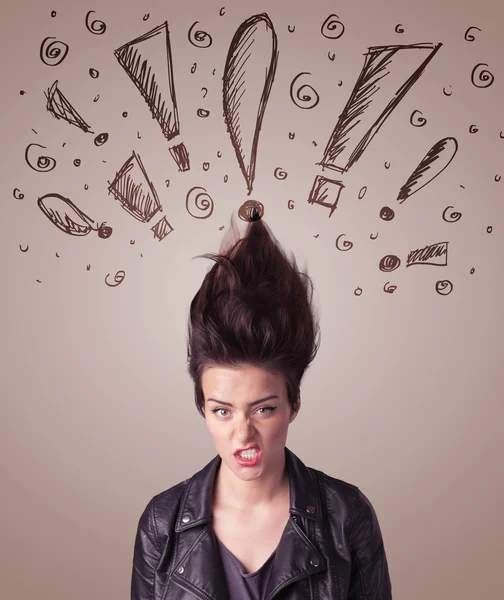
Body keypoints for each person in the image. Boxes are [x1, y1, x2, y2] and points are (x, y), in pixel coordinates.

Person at [131, 205, 393, 599]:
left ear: (294, 404)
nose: (243, 434)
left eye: (263, 409)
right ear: (202, 407)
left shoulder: (346, 515)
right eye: (222, 410)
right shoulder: (161, 523)